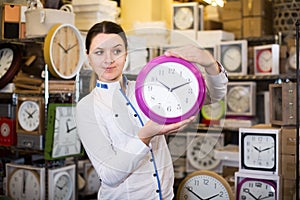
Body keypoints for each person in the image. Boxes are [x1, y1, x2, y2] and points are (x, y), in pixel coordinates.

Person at [76, 21, 228, 200]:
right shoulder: (87, 108)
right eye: (99, 52)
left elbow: (211, 96)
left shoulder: (150, 86)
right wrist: (144, 137)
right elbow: (109, 175)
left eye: (116, 51)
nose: (109, 59)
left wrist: (209, 63)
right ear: (88, 56)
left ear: (126, 53)